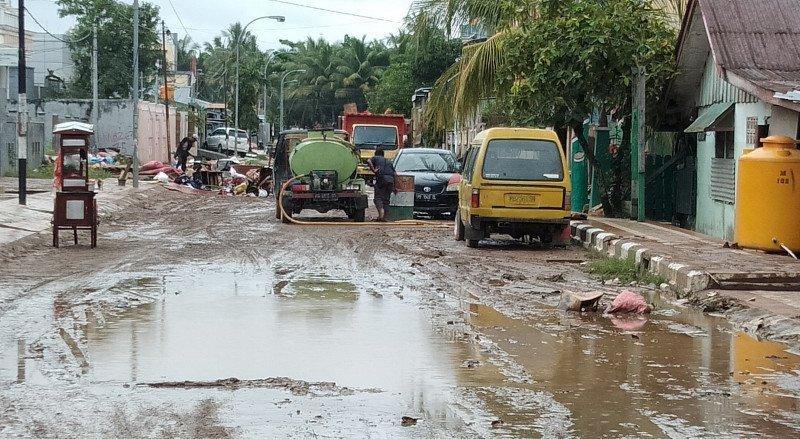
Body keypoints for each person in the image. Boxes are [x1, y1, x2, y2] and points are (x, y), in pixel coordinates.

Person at [367, 148, 396, 222]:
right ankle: (384, 217)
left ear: (376, 153)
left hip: (382, 179)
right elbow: (395, 174)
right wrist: (395, 187)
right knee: (386, 200)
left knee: (378, 198)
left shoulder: (376, 157)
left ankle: (381, 212)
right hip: (390, 180)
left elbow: (368, 161)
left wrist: (373, 170)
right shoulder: (389, 161)